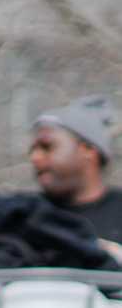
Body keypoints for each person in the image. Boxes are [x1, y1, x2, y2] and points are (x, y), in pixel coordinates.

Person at [29, 95, 122, 245]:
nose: (35, 157)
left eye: (47, 147)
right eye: (33, 150)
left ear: (88, 150)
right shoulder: (27, 215)